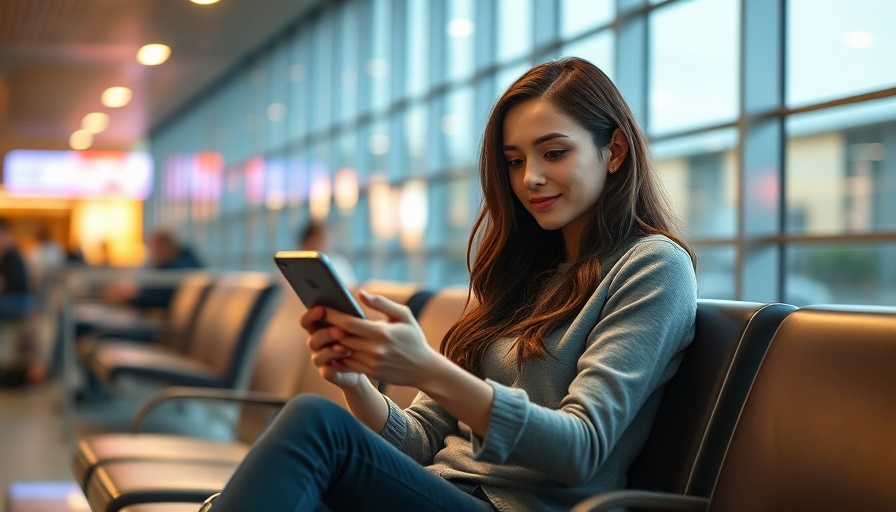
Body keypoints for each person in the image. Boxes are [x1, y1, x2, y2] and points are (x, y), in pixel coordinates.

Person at [203, 57, 697, 512]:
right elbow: (419, 441)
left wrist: (428, 368)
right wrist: (355, 382)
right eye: (515, 160)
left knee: (316, 430)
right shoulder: (521, 273)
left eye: (553, 152)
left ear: (613, 151)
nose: (530, 179)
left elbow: (580, 449)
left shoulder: (653, 266)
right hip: (444, 492)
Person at [109, 227, 204, 310]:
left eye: (155, 247)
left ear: (167, 246)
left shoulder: (181, 268)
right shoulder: (174, 262)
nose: (154, 253)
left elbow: (161, 297)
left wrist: (133, 296)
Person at [298, 220, 357, 287]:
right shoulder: (296, 266)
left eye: (326, 238)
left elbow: (352, 289)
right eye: (319, 239)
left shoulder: (340, 264)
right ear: (307, 241)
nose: (325, 242)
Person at [0, 219, 33, 319]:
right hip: (18, 300)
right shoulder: (9, 254)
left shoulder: (11, 257)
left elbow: (2, 284)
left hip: (18, 302)